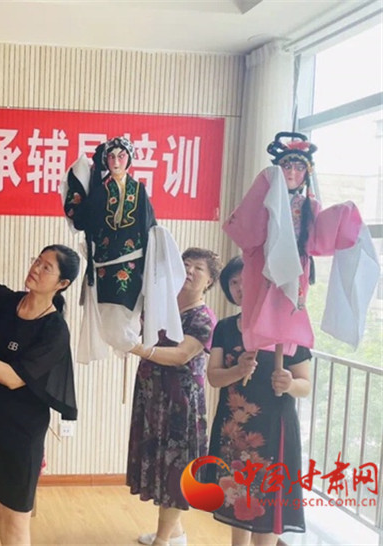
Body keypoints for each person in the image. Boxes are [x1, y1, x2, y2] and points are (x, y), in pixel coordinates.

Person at [223, 132, 378, 365]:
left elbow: (317, 238)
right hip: (262, 264)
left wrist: (344, 213)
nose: (292, 173)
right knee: (259, 308)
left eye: (299, 168)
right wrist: (265, 182)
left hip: (296, 265)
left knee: (288, 311)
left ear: (307, 174)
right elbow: (246, 227)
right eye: (286, 167)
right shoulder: (264, 200)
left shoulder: (309, 206)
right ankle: (254, 360)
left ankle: (279, 363)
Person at [0, 245, 80, 546]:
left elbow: (14, 378)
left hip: (21, 434)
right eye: (37, 261)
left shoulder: (54, 330)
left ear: (62, 283)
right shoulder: (8, 301)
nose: (36, 269)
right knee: (0, 506)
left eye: (46, 267)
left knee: (16, 519)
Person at [206, 256, 310, 544]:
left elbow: (305, 385)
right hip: (235, 429)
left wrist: (289, 383)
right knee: (237, 499)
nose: (240, 287)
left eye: (246, 280)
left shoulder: (287, 326)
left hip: (275, 429)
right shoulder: (225, 327)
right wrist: (238, 371)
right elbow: (214, 377)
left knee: (268, 504)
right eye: (233, 282)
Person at [62, 135, 185, 363]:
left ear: (130, 159)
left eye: (121, 156)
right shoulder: (100, 190)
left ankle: (131, 344)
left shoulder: (138, 190)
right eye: (111, 157)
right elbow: (82, 221)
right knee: (107, 314)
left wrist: (151, 265)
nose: (116, 161)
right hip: (104, 265)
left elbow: (149, 227)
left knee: (127, 312)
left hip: (133, 263)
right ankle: (123, 343)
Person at [126, 247, 219, 546]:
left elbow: (181, 355)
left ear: (209, 281)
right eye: (185, 265)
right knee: (158, 464)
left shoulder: (203, 317)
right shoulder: (162, 306)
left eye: (198, 268)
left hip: (180, 404)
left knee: (175, 469)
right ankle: (175, 533)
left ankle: (163, 540)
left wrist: (139, 349)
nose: (189, 271)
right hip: (151, 397)